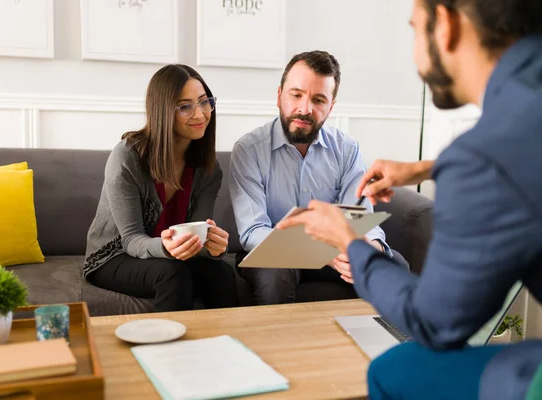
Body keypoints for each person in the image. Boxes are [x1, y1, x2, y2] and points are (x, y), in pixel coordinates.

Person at [277, 0, 542, 399]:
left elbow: (435, 323)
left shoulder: (484, 153)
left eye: (415, 28)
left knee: (394, 370)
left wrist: (348, 240)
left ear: (446, 25)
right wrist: (429, 168)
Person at [229, 50, 396, 306]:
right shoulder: (249, 150)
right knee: (275, 275)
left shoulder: (347, 149)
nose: (305, 109)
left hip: (337, 251)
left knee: (394, 265)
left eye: (318, 100)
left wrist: (373, 247)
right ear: (279, 96)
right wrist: (322, 251)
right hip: (273, 252)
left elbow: (361, 216)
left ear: (331, 106)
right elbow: (253, 232)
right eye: (296, 95)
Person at [83, 64, 238, 312]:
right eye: (185, 106)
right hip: (114, 255)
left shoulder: (208, 169)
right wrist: (165, 248)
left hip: (169, 256)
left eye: (204, 102)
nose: (200, 114)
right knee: (172, 273)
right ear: (163, 111)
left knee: (221, 272)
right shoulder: (127, 157)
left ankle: (225, 346)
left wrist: (213, 248)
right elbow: (131, 239)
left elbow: (195, 240)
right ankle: (170, 351)